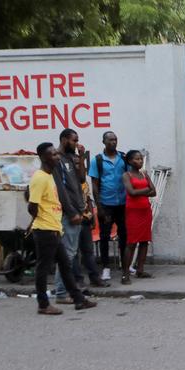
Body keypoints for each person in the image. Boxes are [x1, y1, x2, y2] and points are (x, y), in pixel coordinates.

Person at [29, 142, 97, 315]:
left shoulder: (50, 175)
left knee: (66, 265)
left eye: (56, 154)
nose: (57, 157)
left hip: (54, 228)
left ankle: (79, 300)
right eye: (53, 155)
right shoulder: (39, 177)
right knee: (43, 268)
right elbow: (32, 206)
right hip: (45, 230)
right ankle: (43, 304)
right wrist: (43, 219)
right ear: (43, 158)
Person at [54, 130, 108, 305]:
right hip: (69, 213)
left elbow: (81, 178)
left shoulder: (70, 158)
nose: (77, 143)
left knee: (72, 253)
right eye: (74, 140)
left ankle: (67, 291)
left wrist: (81, 156)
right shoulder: (57, 159)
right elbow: (61, 190)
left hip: (79, 211)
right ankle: (62, 292)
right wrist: (71, 212)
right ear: (64, 140)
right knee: (68, 254)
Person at [89, 131, 127, 281]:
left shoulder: (123, 158)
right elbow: (95, 185)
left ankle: (126, 265)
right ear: (103, 142)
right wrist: (99, 207)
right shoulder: (97, 161)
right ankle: (105, 267)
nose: (114, 142)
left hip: (122, 204)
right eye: (110, 140)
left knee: (124, 235)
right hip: (106, 204)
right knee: (104, 236)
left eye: (115, 139)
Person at [121, 150, 156, 285]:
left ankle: (140, 270)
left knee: (144, 241)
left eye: (141, 159)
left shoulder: (144, 174)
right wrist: (145, 191)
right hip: (133, 211)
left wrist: (142, 192)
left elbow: (154, 192)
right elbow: (131, 192)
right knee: (131, 243)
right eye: (137, 159)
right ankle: (125, 274)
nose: (140, 161)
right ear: (129, 161)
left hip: (145, 211)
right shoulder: (126, 175)